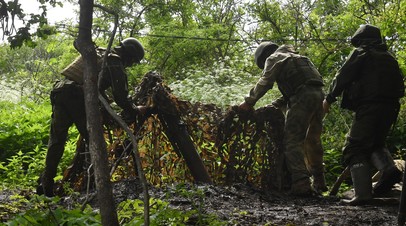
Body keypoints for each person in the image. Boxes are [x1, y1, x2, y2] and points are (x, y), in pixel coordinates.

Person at [37, 37, 146, 197]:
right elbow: (121, 97)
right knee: (94, 140)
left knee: (57, 141)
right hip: (77, 97)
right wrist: (136, 109)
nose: (130, 65)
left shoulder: (100, 51)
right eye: (133, 61)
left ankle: (45, 183)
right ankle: (95, 185)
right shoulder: (115, 62)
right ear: (129, 55)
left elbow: (92, 82)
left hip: (61, 92)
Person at [323, 24, 404, 205]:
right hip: (390, 107)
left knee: (354, 148)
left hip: (370, 107)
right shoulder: (388, 56)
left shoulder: (362, 52)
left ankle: (362, 194)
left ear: (360, 39)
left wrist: (329, 98)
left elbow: (343, 75)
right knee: (375, 143)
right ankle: (389, 169)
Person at [239, 42, 327, 196]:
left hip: (302, 97)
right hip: (319, 96)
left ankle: (301, 184)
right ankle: (320, 182)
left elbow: (266, 82)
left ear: (264, 57)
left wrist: (248, 102)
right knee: (312, 141)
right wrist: (272, 105)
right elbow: (299, 88)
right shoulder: (299, 58)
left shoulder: (274, 57)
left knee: (292, 141)